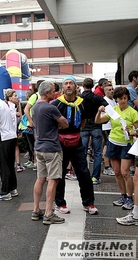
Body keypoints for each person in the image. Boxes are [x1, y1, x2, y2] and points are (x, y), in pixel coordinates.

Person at [51, 75, 98, 215]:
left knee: (83, 172)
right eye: (66, 83)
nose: (69, 85)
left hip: (77, 141)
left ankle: (88, 203)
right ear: (63, 87)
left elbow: (83, 121)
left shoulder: (82, 103)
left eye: (71, 83)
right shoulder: (56, 104)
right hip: (60, 142)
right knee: (60, 174)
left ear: (76, 86)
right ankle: (60, 203)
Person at [31, 82, 69, 225]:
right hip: (52, 148)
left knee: (40, 178)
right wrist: (58, 125)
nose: (55, 93)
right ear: (46, 93)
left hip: (39, 147)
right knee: (53, 179)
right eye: (53, 91)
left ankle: (36, 210)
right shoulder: (51, 108)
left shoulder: (35, 108)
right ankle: (48, 213)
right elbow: (65, 123)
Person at [95, 87, 138, 211]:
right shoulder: (113, 110)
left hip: (126, 144)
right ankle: (122, 195)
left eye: (125, 98)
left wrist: (131, 132)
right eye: (120, 98)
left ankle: (130, 197)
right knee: (117, 172)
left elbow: (137, 130)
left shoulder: (133, 112)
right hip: (113, 142)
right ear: (116, 99)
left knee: (125, 172)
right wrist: (99, 111)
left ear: (127, 98)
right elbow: (98, 121)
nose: (123, 101)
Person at [80, 78, 108, 185]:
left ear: (83, 85)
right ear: (93, 86)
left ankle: (83, 176)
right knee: (97, 153)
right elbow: (106, 106)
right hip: (96, 126)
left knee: (82, 153)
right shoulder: (98, 97)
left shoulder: (79, 98)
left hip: (83, 127)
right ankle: (95, 177)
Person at [5, 89, 24, 173]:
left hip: (14, 130)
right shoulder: (7, 106)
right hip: (8, 132)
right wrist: (14, 114)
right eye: (15, 96)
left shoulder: (15, 106)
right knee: (11, 148)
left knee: (16, 146)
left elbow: (20, 119)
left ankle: (18, 164)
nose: (17, 97)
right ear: (10, 98)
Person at [102, 85, 116, 176]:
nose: (112, 91)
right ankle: (107, 166)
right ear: (105, 92)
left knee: (110, 145)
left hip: (113, 126)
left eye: (112, 89)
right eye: (109, 90)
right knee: (107, 145)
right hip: (106, 126)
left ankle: (111, 164)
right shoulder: (104, 101)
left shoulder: (114, 100)